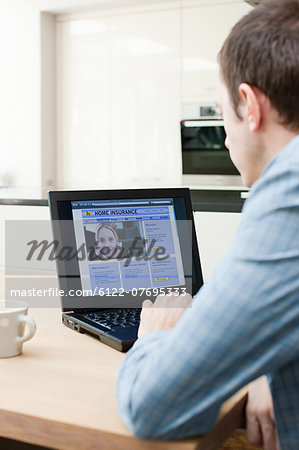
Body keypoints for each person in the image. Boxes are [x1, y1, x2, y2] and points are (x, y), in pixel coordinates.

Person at [116, 0, 299, 448]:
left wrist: (155, 335)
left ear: (249, 106)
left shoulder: (290, 188)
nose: (223, 133)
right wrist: (264, 359)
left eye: (221, 112)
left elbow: (151, 405)